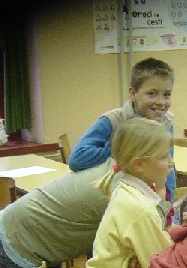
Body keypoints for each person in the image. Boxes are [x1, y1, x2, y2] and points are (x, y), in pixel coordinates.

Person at [77, 117, 174, 268]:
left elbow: (156, 251)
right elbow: (165, 266)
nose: (171, 163)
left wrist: (143, 257)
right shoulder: (139, 208)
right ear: (139, 164)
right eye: (164, 157)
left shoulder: (128, 190)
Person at [69, 57, 176, 223]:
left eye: (166, 94)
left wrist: (167, 207)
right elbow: (77, 159)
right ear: (133, 93)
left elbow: (167, 171)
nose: (161, 102)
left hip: (148, 202)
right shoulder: (113, 120)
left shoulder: (166, 122)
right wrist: (124, 147)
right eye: (152, 93)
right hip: (109, 204)